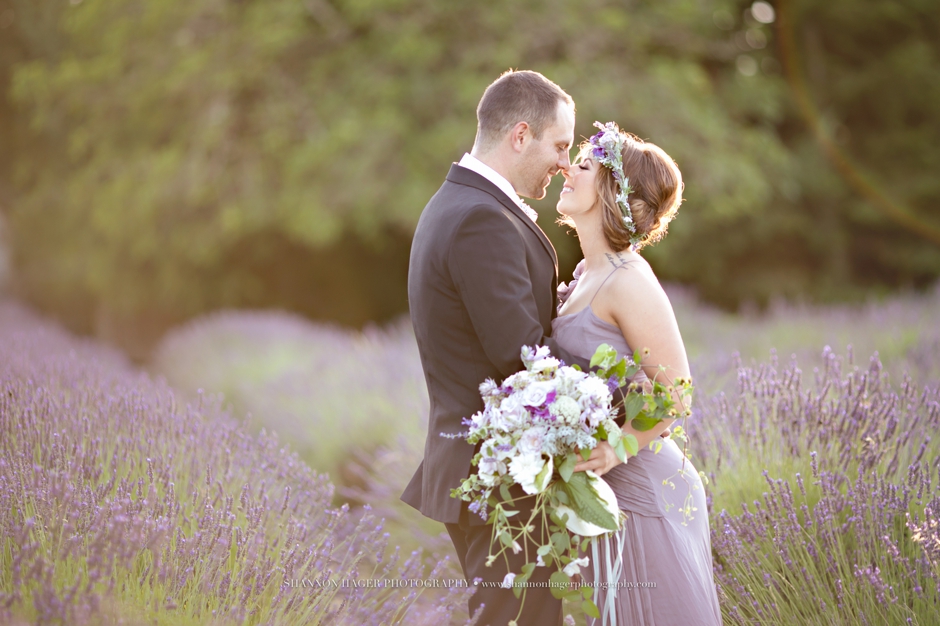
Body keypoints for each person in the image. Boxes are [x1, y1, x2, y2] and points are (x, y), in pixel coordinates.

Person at [402, 69, 587, 625]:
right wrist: (627, 383)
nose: (564, 163)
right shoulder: (481, 218)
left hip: (494, 470)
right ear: (520, 135)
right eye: (560, 146)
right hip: (500, 477)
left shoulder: (460, 202)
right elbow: (521, 356)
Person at [552, 122, 722, 625]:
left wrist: (616, 448)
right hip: (604, 495)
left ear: (610, 191)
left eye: (582, 165)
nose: (566, 167)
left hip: (645, 495)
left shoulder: (628, 281)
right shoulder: (587, 273)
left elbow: (678, 392)